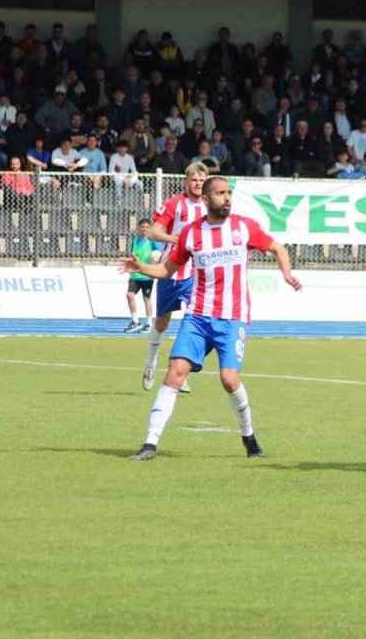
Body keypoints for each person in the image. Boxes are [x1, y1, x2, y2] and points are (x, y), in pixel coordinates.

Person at [118, 176, 302, 461]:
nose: (227, 198)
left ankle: (249, 436)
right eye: (219, 193)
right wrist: (141, 266)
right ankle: (149, 443)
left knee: (229, 379)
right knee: (175, 372)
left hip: (232, 318)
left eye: (228, 193)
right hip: (198, 317)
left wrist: (287, 273)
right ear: (206, 199)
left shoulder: (244, 227)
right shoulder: (192, 234)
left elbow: (278, 248)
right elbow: (167, 270)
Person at [144, 163, 208, 392]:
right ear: (186, 181)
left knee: (194, 318)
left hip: (198, 272)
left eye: (202, 180)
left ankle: (179, 368)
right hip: (171, 270)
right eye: (194, 179)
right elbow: (153, 232)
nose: (198, 183)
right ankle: (151, 361)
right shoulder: (175, 203)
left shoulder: (210, 206)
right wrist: (177, 240)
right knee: (163, 322)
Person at [126, 220, 160, 334]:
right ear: (139, 228)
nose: (144, 229)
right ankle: (135, 321)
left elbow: (160, 255)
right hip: (135, 274)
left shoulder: (152, 242)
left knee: (146, 298)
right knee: (129, 295)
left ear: (149, 228)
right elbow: (133, 254)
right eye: (142, 227)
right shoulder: (135, 241)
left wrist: (155, 264)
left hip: (147, 275)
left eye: (146, 227)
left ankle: (149, 323)